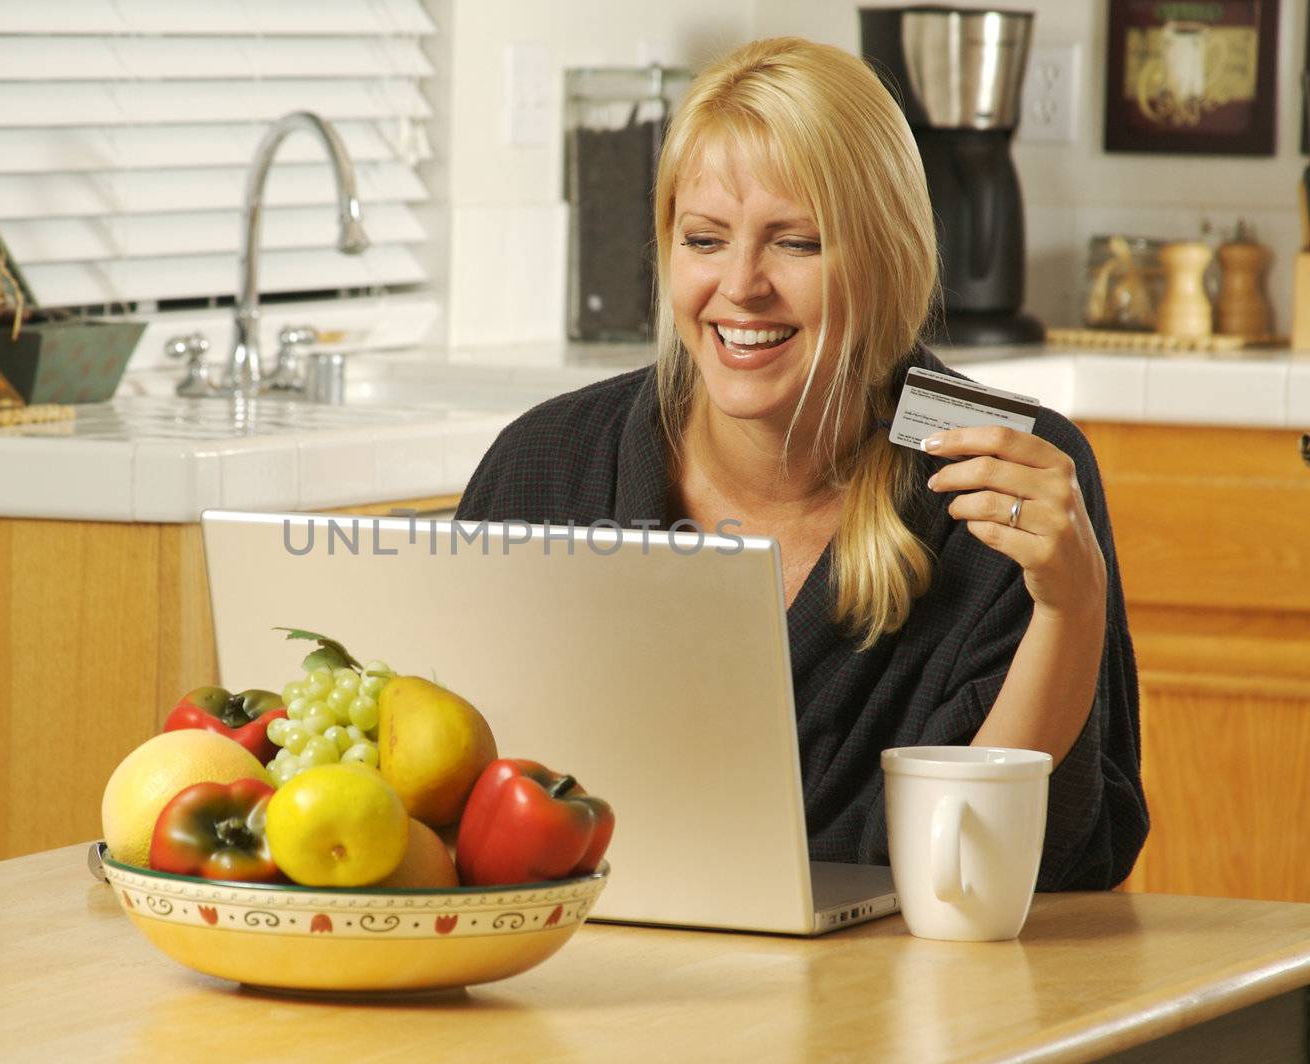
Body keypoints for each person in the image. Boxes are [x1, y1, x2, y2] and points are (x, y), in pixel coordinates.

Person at [454, 37, 1147, 891]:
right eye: (704, 239)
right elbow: (450, 812)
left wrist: (1070, 609)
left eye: (798, 243)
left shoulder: (1008, 474)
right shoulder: (544, 466)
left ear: (887, 257)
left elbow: (996, 867)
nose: (741, 286)